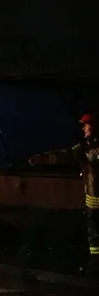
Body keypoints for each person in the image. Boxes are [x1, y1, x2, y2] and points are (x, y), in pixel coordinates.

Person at [29, 113, 99, 278]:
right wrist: (43, 159)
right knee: (94, 235)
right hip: (93, 202)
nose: (83, 129)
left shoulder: (93, 149)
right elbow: (66, 154)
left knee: (95, 235)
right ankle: (95, 266)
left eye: (86, 125)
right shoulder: (85, 146)